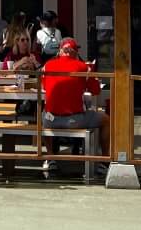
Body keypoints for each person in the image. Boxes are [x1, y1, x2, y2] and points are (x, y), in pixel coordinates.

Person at [41, 37, 107, 173]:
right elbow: (96, 90)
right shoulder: (83, 67)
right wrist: (88, 74)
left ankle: (50, 157)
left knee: (44, 114)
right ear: (75, 53)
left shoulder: (47, 65)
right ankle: (104, 162)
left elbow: (44, 86)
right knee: (106, 119)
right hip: (74, 120)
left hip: (50, 121)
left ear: (60, 51)